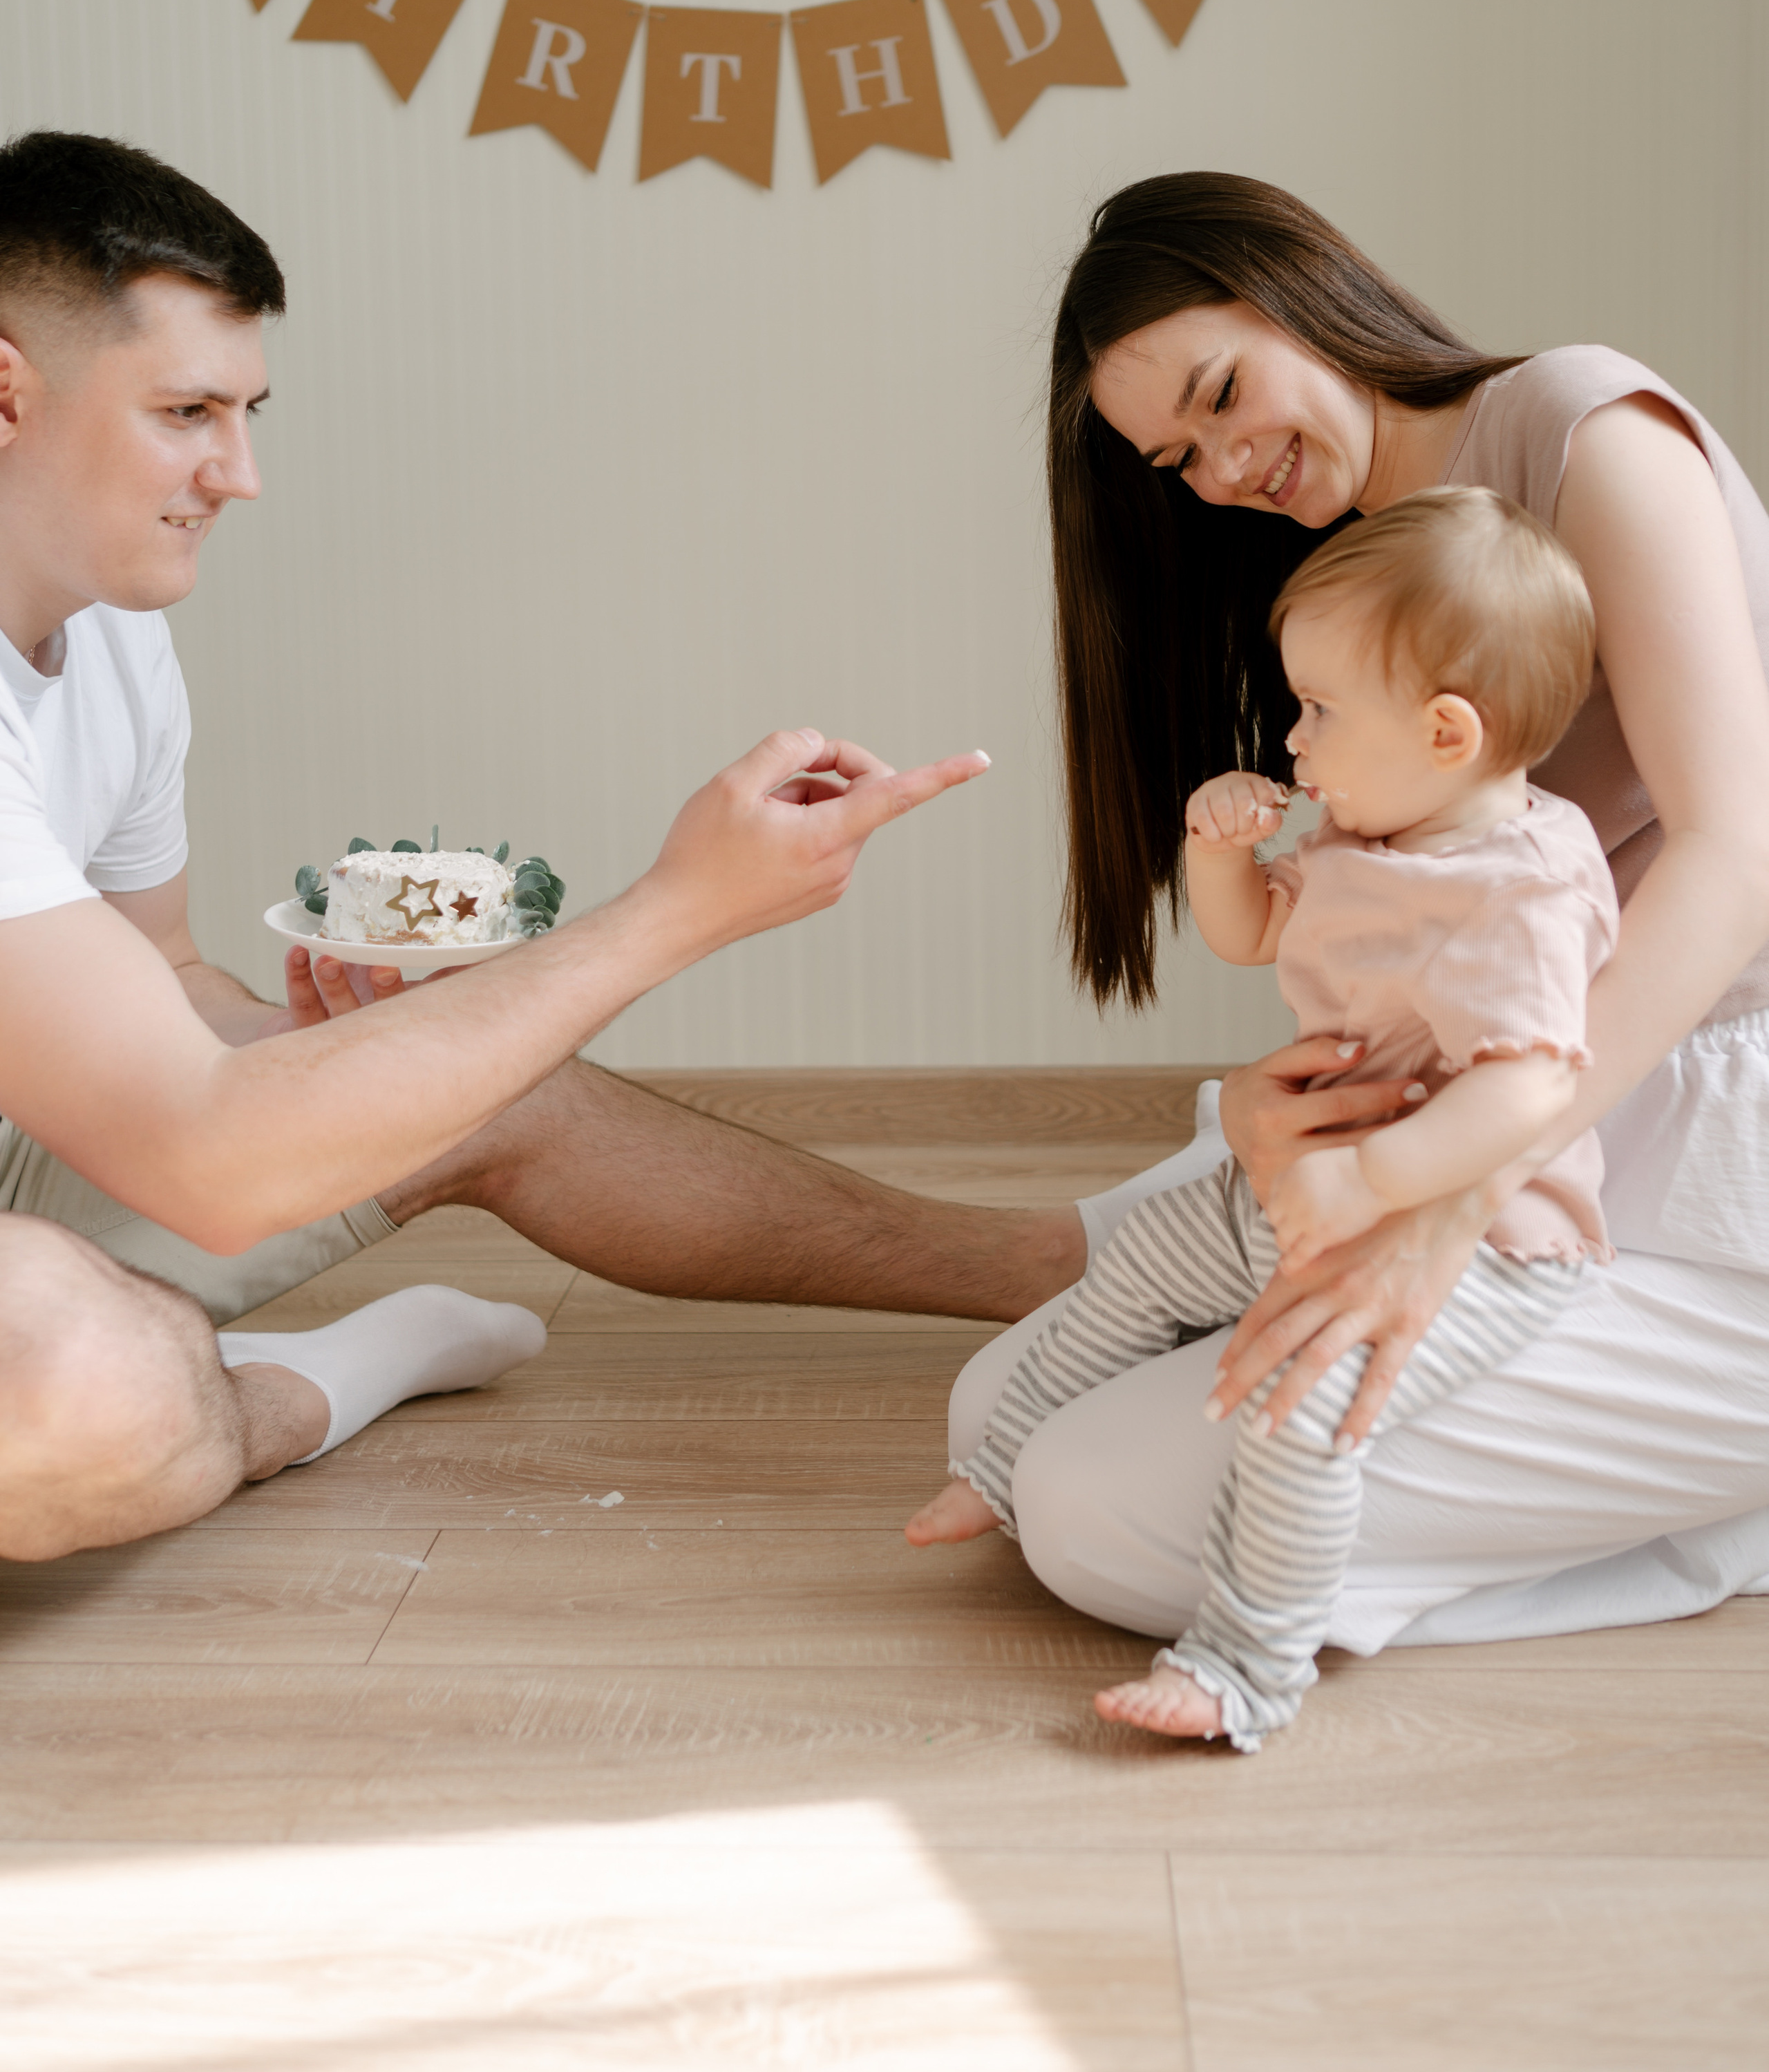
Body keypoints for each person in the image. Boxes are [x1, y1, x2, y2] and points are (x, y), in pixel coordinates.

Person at [0, 132, 1084, 1566]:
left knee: (475, 1062)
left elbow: (163, 973)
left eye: (248, 411)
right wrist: (674, 911)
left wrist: (348, 1050)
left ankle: (1077, 1271)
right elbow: (204, 1159)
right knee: (92, 1388)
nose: (239, 473)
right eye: (187, 412)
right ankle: (305, 1382)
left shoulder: (114, 634)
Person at [949, 171, 1769, 1662]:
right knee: (991, 1417)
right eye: (1177, 459)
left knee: (1094, 1514)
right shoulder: (1358, 564)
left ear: (1301, 293)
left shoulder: (1582, 427)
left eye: (1221, 395)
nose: (1222, 469)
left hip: (1689, 1121)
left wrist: (1452, 1188)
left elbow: (1734, 853)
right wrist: (1281, 1114)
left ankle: (1720, 1513)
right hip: (1513, 1110)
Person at [911, 490, 1617, 1746]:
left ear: (1447, 732)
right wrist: (1217, 849)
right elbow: (1248, 939)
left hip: (1473, 1249)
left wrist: (1372, 1184)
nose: (1293, 739)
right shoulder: (1367, 829)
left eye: (1319, 710)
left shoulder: (1519, 890)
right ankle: (1000, 1473)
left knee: (1300, 1412)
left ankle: (1247, 1665)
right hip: (1302, 1188)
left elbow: (1531, 1090)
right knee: (1140, 1263)